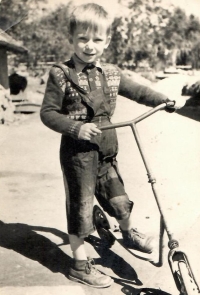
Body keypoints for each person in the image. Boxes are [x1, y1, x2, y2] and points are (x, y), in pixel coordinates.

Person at [40, 3, 186, 288]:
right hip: (78, 154)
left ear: (106, 41)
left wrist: (163, 100)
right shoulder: (60, 74)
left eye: (97, 39)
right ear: (71, 39)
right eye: (83, 39)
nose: (90, 46)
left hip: (107, 149)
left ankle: (128, 231)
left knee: (118, 198)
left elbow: (138, 90)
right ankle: (80, 265)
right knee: (81, 208)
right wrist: (76, 127)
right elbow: (48, 113)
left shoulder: (111, 73)